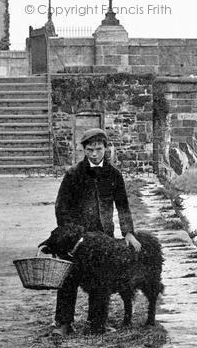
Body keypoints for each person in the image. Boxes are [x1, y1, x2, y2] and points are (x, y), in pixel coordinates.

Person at [52, 128, 141, 337]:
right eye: (90, 149)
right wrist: (73, 234)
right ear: (83, 149)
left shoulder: (114, 175)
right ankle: (64, 323)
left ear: (106, 148)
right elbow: (61, 207)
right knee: (69, 278)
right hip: (76, 240)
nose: (94, 154)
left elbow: (123, 206)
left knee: (102, 280)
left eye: (98, 149)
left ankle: (97, 324)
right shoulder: (73, 174)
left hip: (103, 238)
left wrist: (128, 232)